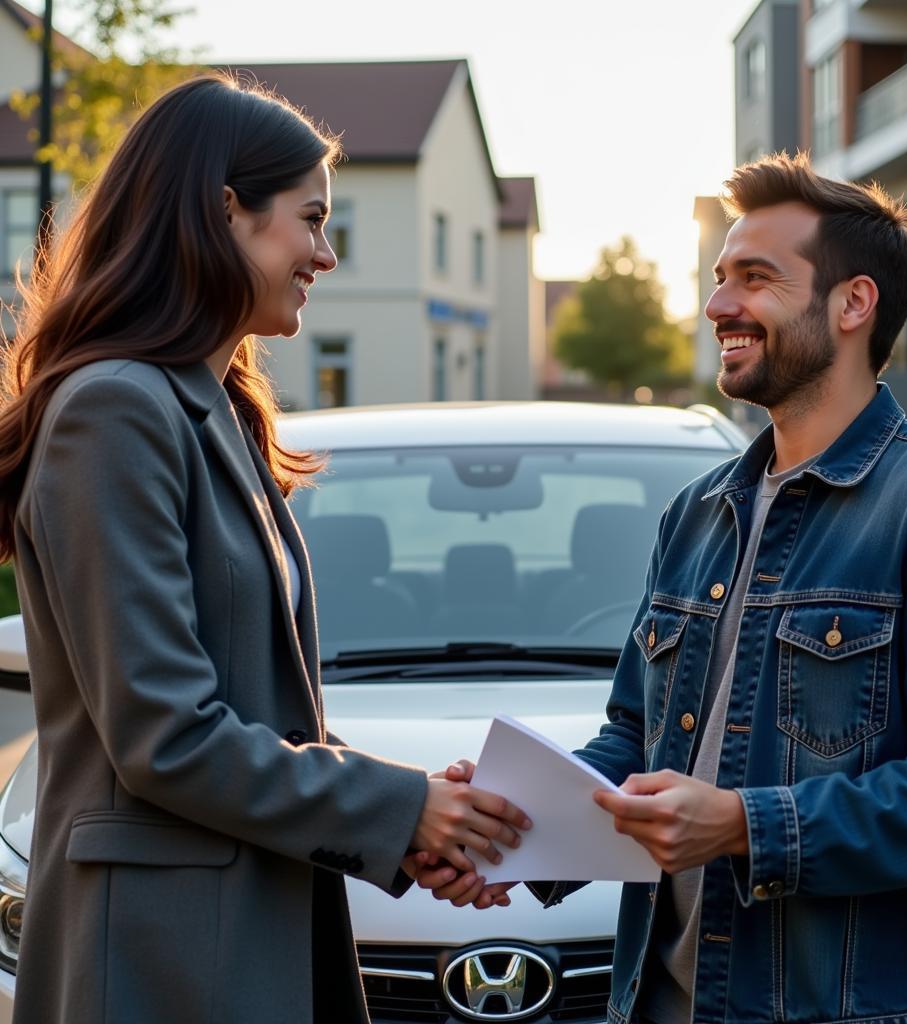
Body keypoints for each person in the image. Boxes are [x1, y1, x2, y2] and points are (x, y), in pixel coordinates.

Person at [419, 154, 907, 1024]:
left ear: (854, 305)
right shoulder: (696, 514)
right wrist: (514, 831)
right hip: (665, 1002)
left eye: (755, 279)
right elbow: (636, 738)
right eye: (718, 279)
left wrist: (749, 825)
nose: (717, 307)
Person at [0, 73, 529, 1024]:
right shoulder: (114, 412)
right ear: (223, 210)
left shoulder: (216, 411)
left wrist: (408, 817)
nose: (325, 254)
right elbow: (165, 735)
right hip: (157, 957)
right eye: (312, 219)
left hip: (245, 932)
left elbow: (258, 715)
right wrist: (403, 806)